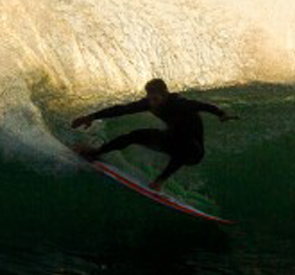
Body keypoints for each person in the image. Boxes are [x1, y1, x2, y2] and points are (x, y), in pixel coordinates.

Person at [71, 78, 237, 192]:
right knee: (135, 135)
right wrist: (91, 117)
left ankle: (160, 181)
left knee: (183, 144)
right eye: (149, 98)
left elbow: (204, 106)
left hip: (194, 151)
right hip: (171, 140)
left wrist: (221, 114)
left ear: (165, 94)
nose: (152, 103)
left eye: (156, 99)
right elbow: (121, 110)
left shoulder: (179, 103)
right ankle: (96, 152)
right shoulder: (150, 103)